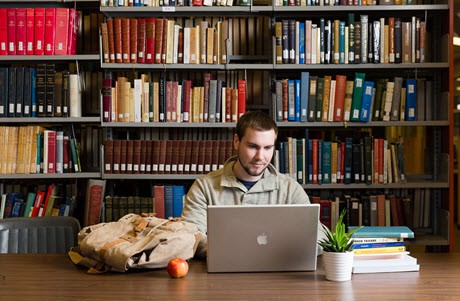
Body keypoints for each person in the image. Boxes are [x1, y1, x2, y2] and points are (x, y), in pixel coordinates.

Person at [182, 110, 323, 258]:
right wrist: (242, 251)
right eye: (253, 146)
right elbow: (191, 237)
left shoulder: (290, 189)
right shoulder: (204, 187)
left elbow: (318, 236)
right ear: (236, 141)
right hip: (221, 277)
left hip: (280, 275)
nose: (260, 157)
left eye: (268, 148)